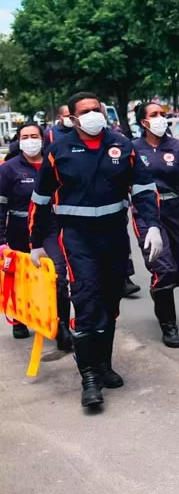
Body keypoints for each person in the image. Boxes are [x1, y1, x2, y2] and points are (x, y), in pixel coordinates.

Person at [29, 92, 163, 409]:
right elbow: (41, 199)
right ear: (73, 119)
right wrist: (35, 242)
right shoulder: (58, 150)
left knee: (110, 302)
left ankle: (104, 364)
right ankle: (89, 377)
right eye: (85, 111)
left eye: (96, 109)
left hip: (114, 236)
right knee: (87, 301)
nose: (93, 115)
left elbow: (143, 188)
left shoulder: (121, 145)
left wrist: (153, 224)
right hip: (77, 238)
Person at [132, 102, 179, 348]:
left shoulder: (178, 148)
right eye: (154, 115)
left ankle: (161, 292)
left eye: (162, 114)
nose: (160, 118)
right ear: (143, 122)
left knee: (178, 265)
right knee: (163, 267)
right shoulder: (133, 148)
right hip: (146, 212)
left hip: (175, 210)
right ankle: (169, 325)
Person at [0, 123, 72, 351]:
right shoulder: (9, 169)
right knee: (22, 276)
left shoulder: (53, 164)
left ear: (43, 139)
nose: (30, 140)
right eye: (25, 136)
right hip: (19, 228)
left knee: (58, 276)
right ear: (19, 141)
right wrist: (1, 241)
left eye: (34, 136)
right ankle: (20, 317)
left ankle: (62, 326)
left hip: (49, 227)